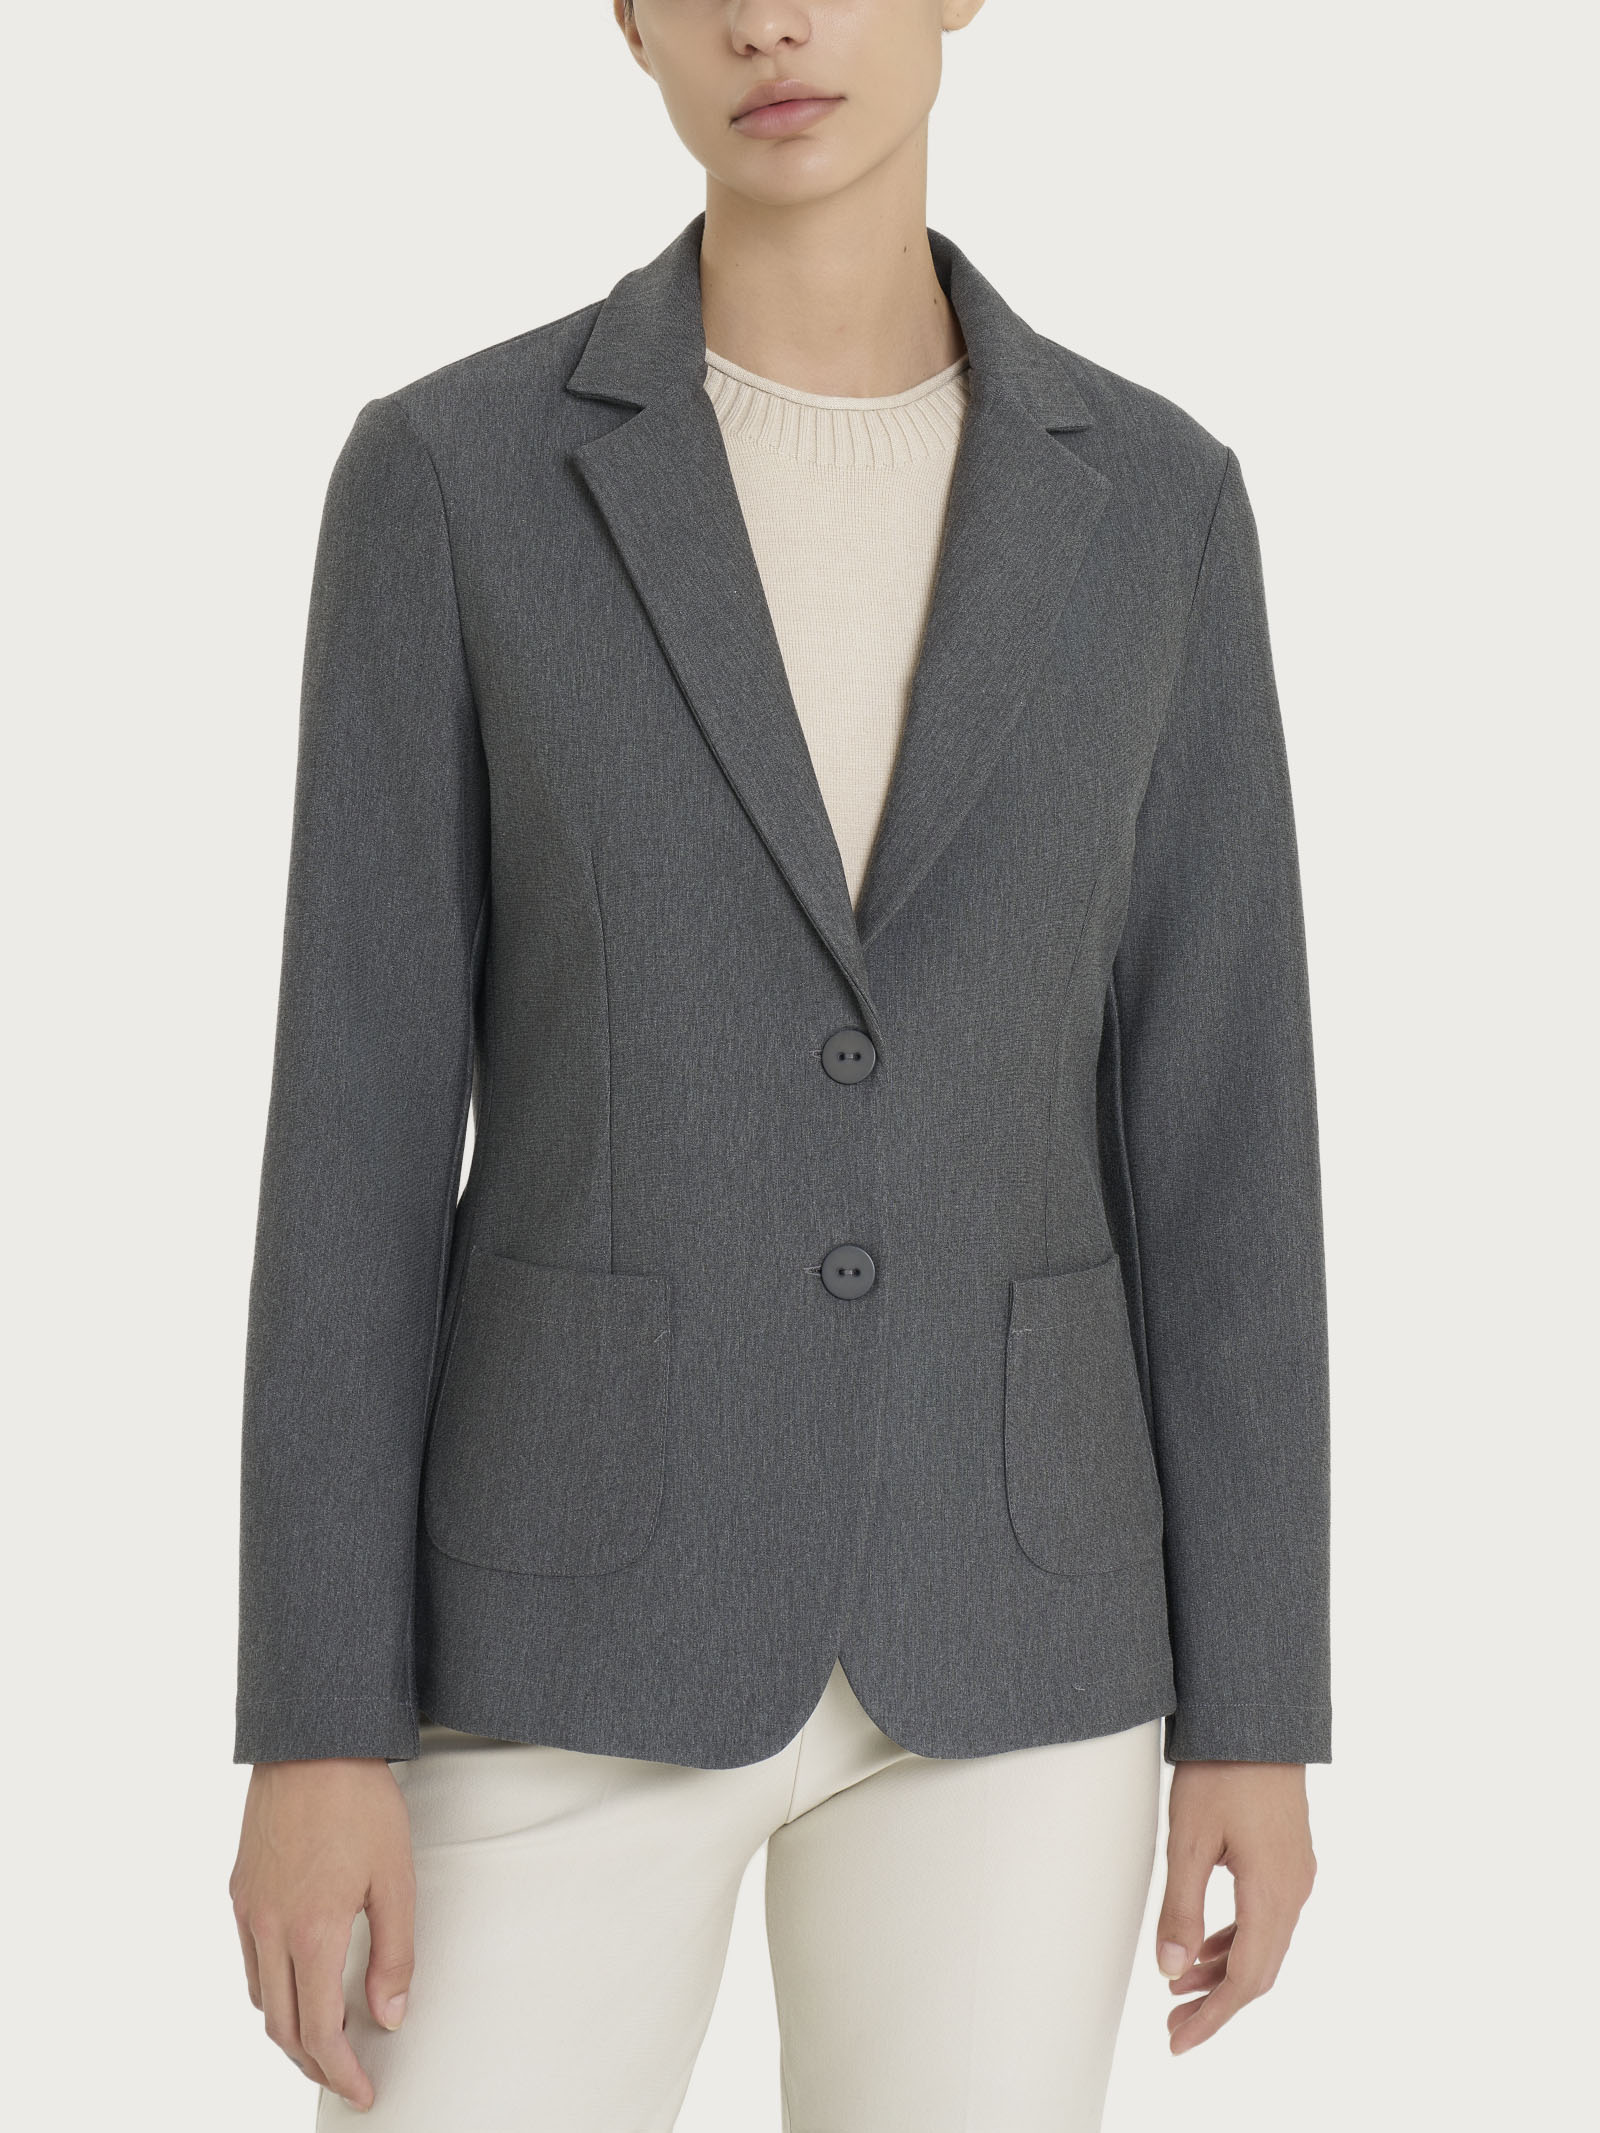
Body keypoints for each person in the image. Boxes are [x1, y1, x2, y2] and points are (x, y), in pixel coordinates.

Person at [229, 2, 1329, 2126]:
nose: (770, 20)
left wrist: (1257, 1706)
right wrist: (315, 1719)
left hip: (1018, 1640)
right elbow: (350, 1140)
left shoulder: (1158, 506)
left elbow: (1222, 1140)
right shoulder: (452, 478)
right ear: (629, 18)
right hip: (555, 1627)